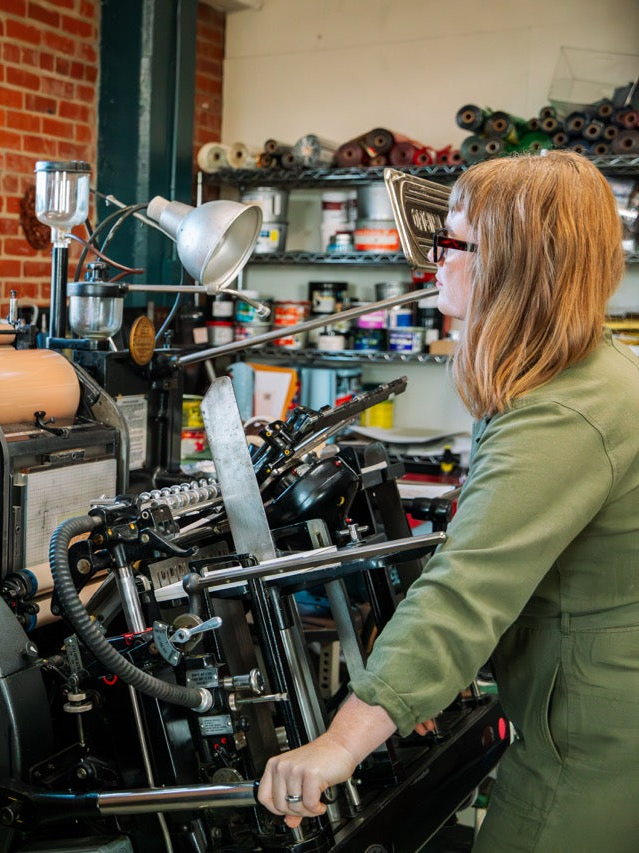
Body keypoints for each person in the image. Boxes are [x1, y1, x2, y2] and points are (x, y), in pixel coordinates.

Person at [257, 150, 638, 851]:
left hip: (590, 746)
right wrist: (413, 692)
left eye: (452, 243)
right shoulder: (581, 376)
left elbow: (468, 587)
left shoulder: (563, 412)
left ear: (515, 262)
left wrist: (345, 739)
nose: (434, 262)